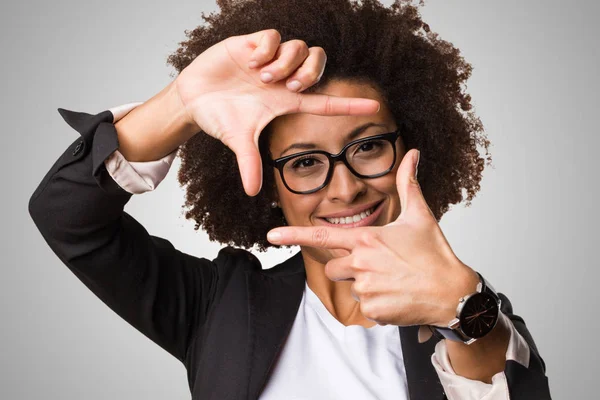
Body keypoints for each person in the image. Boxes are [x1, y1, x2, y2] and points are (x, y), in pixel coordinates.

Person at [28, 0, 551, 399]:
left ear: (411, 148)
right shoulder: (218, 305)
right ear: (269, 184)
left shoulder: (473, 311)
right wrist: (181, 105)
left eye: (367, 147)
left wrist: (464, 314)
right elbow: (66, 215)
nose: (345, 189)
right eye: (304, 162)